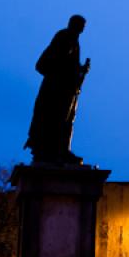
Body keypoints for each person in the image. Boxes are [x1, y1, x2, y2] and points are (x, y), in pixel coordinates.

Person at [25, 15, 90, 164]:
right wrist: (67, 74)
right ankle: (51, 151)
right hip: (56, 89)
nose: (82, 29)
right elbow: (49, 63)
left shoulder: (74, 41)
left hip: (67, 89)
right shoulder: (64, 37)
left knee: (66, 120)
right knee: (54, 119)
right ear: (73, 24)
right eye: (80, 25)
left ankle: (61, 150)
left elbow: (70, 65)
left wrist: (81, 70)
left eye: (83, 26)